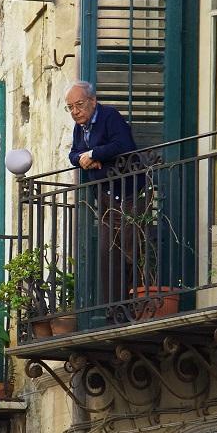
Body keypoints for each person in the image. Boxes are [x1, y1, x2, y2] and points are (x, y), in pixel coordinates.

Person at [66, 80, 142, 305]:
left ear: (93, 101)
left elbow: (124, 145)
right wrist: (83, 159)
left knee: (130, 249)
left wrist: (95, 154)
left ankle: (136, 303)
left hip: (128, 195)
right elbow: (73, 154)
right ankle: (114, 308)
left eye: (78, 105)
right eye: (70, 107)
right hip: (107, 199)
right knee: (107, 255)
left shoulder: (110, 117)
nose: (75, 112)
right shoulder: (80, 127)